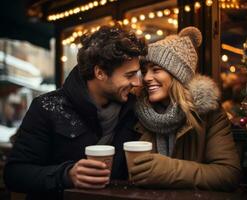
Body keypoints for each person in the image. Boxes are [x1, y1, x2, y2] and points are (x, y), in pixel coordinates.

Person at [4, 25, 147, 200]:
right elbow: (15, 174)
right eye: (129, 75)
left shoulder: (134, 110)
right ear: (100, 73)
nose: (137, 82)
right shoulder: (47, 107)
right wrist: (66, 175)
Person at [131, 27, 241, 191]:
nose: (146, 78)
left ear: (177, 75)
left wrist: (169, 170)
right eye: (145, 71)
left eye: (156, 70)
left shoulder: (208, 114)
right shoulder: (134, 112)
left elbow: (228, 174)